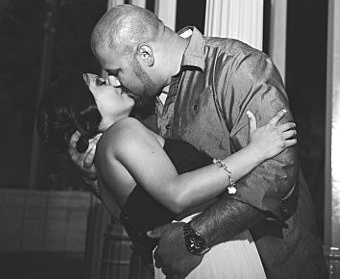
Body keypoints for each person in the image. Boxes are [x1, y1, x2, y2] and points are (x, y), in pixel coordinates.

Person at [77, 4, 325, 278]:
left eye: (115, 71)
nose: (112, 82)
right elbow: (146, 204)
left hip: (278, 264)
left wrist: (195, 236)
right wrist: (99, 179)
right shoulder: (137, 108)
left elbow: (276, 172)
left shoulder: (237, 66)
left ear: (145, 55)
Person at [38, 70, 297, 278]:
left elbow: (141, 229)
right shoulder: (123, 132)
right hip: (211, 257)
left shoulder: (103, 171)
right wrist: (257, 150)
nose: (114, 82)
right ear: (83, 107)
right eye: (100, 82)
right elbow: (177, 194)